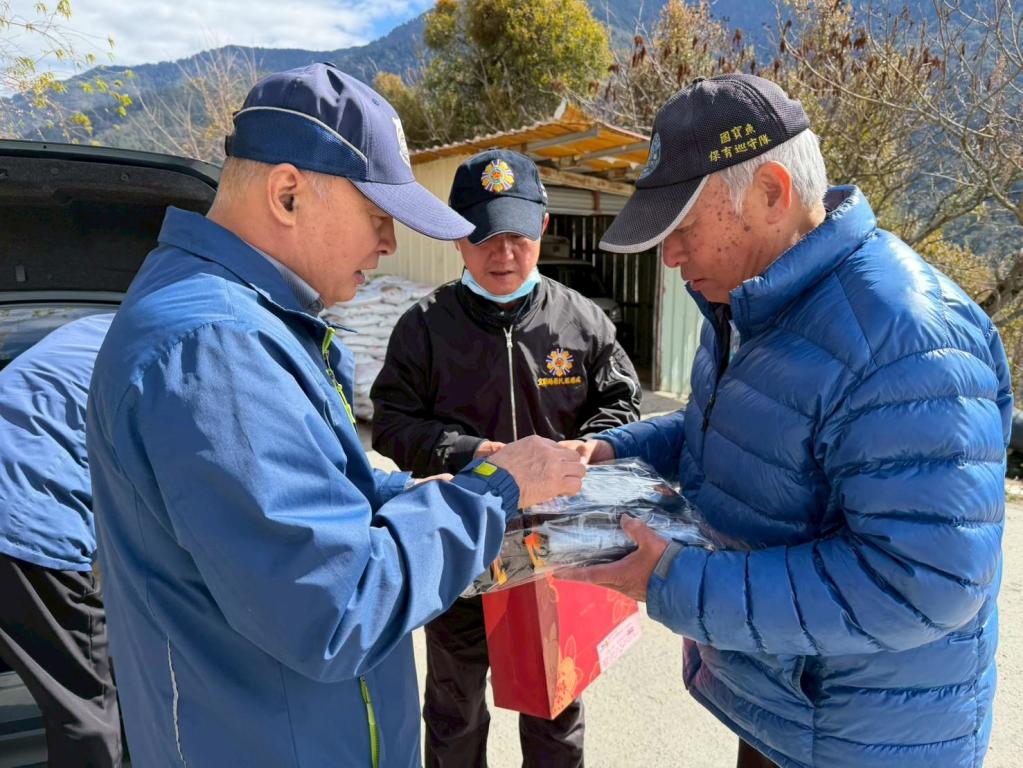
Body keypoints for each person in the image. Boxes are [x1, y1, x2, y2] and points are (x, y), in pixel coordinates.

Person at [85, 63, 586, 767]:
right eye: (378, 219)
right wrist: (495, 491)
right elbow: (338, 604)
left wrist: (421, 490)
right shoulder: (215, 350)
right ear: (288, 194)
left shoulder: (250, 323)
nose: (388, 245)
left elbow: (324, 489)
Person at [561, 74, 1011, 768]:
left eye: (683, 228)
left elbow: (923, 581)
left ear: (772, 193)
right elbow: (727, 428)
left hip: (865, 739)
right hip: (789, 707)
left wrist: (677, 583)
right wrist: (612, 452)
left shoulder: (905, 339)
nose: (669, 256)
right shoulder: (748, 304)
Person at [371, 149, 642, 767]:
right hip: (460, 543)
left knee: (555, 705)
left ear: (543, 226)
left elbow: (621, 405)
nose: (504, 254)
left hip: (554, 550)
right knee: (455, 707)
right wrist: (477, 455)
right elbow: (392, 424)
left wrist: (587, 447)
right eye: (485, 236)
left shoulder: (581, 322)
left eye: (518, 235)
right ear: (456, 236)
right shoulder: (424, 328)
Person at [0, 312, 123, 767]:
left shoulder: (94, 330)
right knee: (86, 705)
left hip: (17, 503)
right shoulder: (179, 347)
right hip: (26, 521)